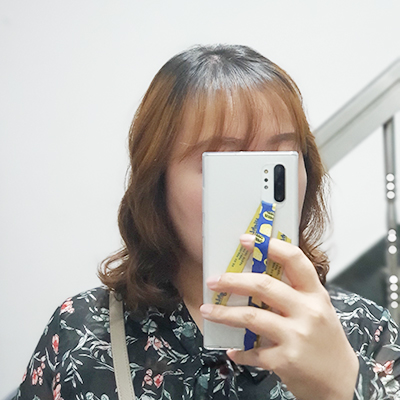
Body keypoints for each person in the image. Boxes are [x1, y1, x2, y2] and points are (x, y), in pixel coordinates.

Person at [14, 45, 400, 400]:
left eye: (279, 160)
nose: (259, 198)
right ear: (158, 183)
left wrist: (344, 385)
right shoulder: (82, 332)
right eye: (223, 165)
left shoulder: (363, 330)